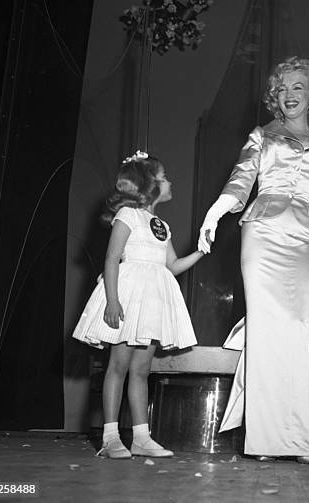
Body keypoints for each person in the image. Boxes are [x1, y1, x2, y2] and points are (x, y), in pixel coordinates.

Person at [197, 56, 309, 463]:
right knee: (267, 331)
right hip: (263, 232)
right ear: (275, 95)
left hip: (305, 237)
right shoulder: (262, 135)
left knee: (297, 331)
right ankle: (269, 438)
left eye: (298, 87)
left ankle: (298, 434)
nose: (289, 94)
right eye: (282, 88)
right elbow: (241, 178)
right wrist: (215, 213)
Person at [72, 151, 202, 459]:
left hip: (152, 300)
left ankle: (142, 437)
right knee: (118, 365)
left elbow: (171, 265)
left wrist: (201, 250)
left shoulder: (161, 224)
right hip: (128, 296)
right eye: (164, 177)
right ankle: (110, 436)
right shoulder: (128, 215)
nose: (170, 182)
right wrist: (113, 301)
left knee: (142, 369)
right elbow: (111, 258)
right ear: (150, 184)